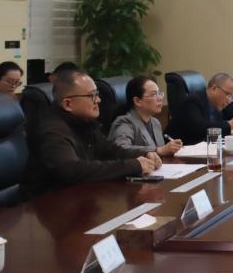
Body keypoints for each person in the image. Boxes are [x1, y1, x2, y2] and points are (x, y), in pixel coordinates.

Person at [23, 69, 159, 196]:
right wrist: (132, 165)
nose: (98, 100)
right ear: (68, 104)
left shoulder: (84, 123)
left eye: (97, 94)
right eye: (92, 96)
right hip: (46, 203)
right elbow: (72, 170)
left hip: (78, 197)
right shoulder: (52, 131)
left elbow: (110, 150)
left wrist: (144, 154)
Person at [108, 75, 183, 157]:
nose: (160, 98)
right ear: (137, 101)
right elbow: (120, 148)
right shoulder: (125, 123)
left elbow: (161, 154)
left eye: (159, 93)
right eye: (154, 94)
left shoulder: (155, 123)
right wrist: (158, 150)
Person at [170, 72, 233, 142]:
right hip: (178, 149)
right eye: (228, 95)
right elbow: (199, 128)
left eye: (232, 97)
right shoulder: (193, 101)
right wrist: (230, 124)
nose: (229, 101)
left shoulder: (217, 105)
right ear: (214, 89)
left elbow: (218, 126)